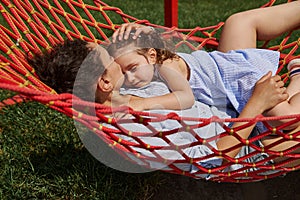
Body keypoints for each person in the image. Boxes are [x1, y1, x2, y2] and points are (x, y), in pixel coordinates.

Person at [29, 39, 299, 173]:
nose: (114, 55)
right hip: (246, 151)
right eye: (107, 56)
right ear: (104, 83)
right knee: (292, 123)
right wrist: (256, 103)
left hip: (236, 115)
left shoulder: (129, 91)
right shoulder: (143, 126)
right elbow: (215, 158)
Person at [108, 1, 300, 130]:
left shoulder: (166, 68)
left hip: (241, 82)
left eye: (132, 68)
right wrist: (148, 31)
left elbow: (185, 98)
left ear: (151, 56)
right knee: (238, 21)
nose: (130, 78)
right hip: (230, 63)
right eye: (124, 74)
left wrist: (141, 104)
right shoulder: (156, 57)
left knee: (286, 119)